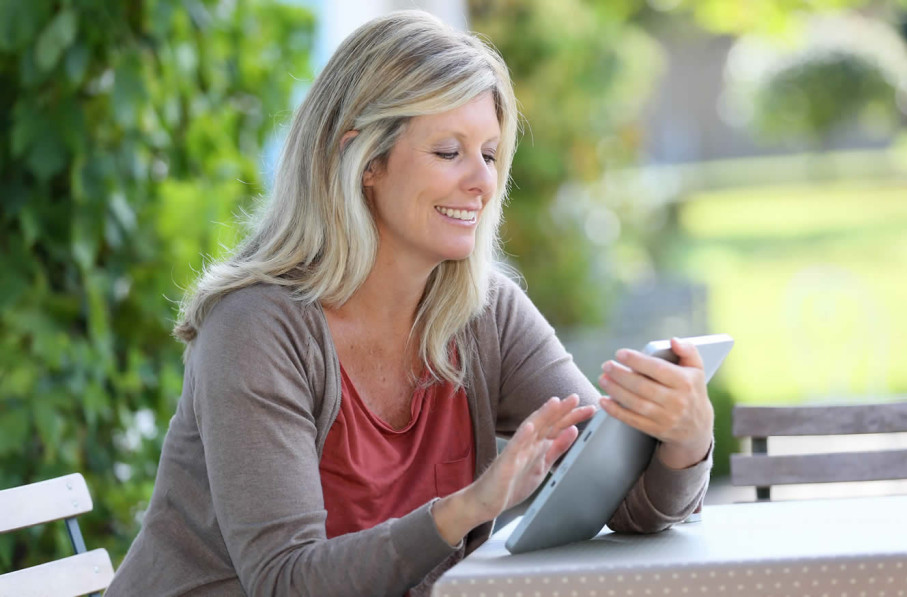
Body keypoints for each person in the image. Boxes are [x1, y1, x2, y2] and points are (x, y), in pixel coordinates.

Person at [107, 10, 713, 597]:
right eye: (449, 152)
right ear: (364, 160)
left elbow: (624, 503)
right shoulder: (257, 329)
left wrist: (688, 438)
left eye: (490, 153)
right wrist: (468, 508)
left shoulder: (484, 313)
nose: (481, 181)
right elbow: (286, 581)